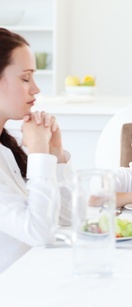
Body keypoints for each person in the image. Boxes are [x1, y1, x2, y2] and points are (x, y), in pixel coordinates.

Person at [0, 28, 71, 272]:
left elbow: (65, 220)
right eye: (25, 78)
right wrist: (39, 153)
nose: (36, 89)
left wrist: (55, 155)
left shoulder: (8, 148)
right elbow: (41, 233)